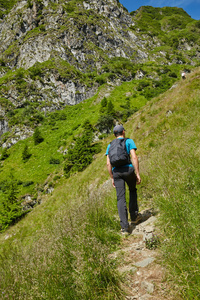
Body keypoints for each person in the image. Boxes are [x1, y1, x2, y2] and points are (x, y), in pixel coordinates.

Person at [106, 125, 141, 235]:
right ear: (123, 132)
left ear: (114, 135)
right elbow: (134, 157)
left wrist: (112, 177)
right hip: (128, 169)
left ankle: (125, 228)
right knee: (132, 190)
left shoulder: (110, 145)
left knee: (120, 198)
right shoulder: (129, 141)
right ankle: (134, 217)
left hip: (117, 172)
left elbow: (108, 163)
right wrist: (137, 173)